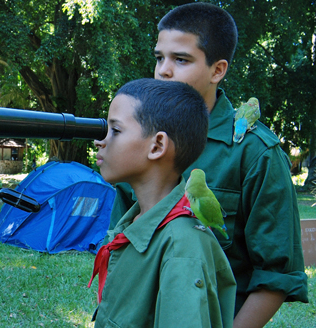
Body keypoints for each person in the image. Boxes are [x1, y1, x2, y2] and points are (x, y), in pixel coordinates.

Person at [106, 3, 308, 327]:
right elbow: (118, 245)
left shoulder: (256, 153)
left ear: (218, 70)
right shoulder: (137, 141)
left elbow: (276, 276)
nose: (163, 71)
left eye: (181, 59)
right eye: (159, 57)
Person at [89, 78, 236, 327]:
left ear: (157, 146)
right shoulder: (134, 224)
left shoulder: (182, 249)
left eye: (115, 130)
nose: (99, 142)